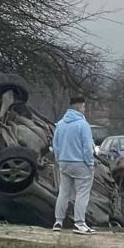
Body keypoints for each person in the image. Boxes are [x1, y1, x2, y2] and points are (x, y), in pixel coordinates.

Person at [52, 95, 97, 235]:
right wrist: (90, 164)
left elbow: (55, 145)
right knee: (82, 193)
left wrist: (59, 160)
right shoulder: (83, 125)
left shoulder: (60, 124)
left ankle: (58, 221)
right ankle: (80, 223)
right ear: (79, 107)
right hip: (80, 163)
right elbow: (87, 147)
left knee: (64, 192)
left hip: (64, 162)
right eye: (84, 106)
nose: (85, 109)